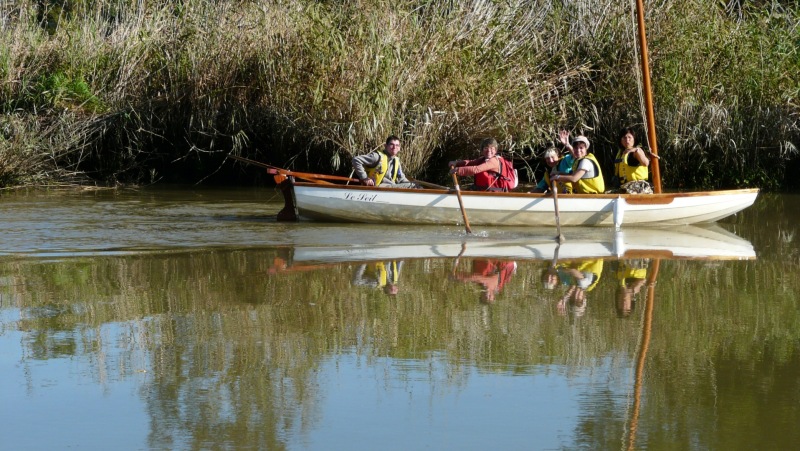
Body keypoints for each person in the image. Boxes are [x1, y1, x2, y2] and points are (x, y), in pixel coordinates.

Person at [352, 135, 418, 188]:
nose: (394, 147)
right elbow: (356, 160)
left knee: (415, 185)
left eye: (397, 145)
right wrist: (364, 178)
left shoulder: (396, 161)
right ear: (386, 146)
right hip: (377, 187)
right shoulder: (376, 157)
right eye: (391, 145)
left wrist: (411, 183)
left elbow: (401, 178)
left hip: (390, 186)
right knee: (413, 186)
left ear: (399, 148)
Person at [451, 258, 517, 303]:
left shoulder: (480, 283)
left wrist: (461, 278)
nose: (487, 295)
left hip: (488, 258)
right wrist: (465, 278)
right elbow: (490, 280)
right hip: (504, 260)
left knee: (481, 270)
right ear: (494, 297)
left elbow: (475, 278)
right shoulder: (497, 286)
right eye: (489, 297)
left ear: (481, 294)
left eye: (485, 297)